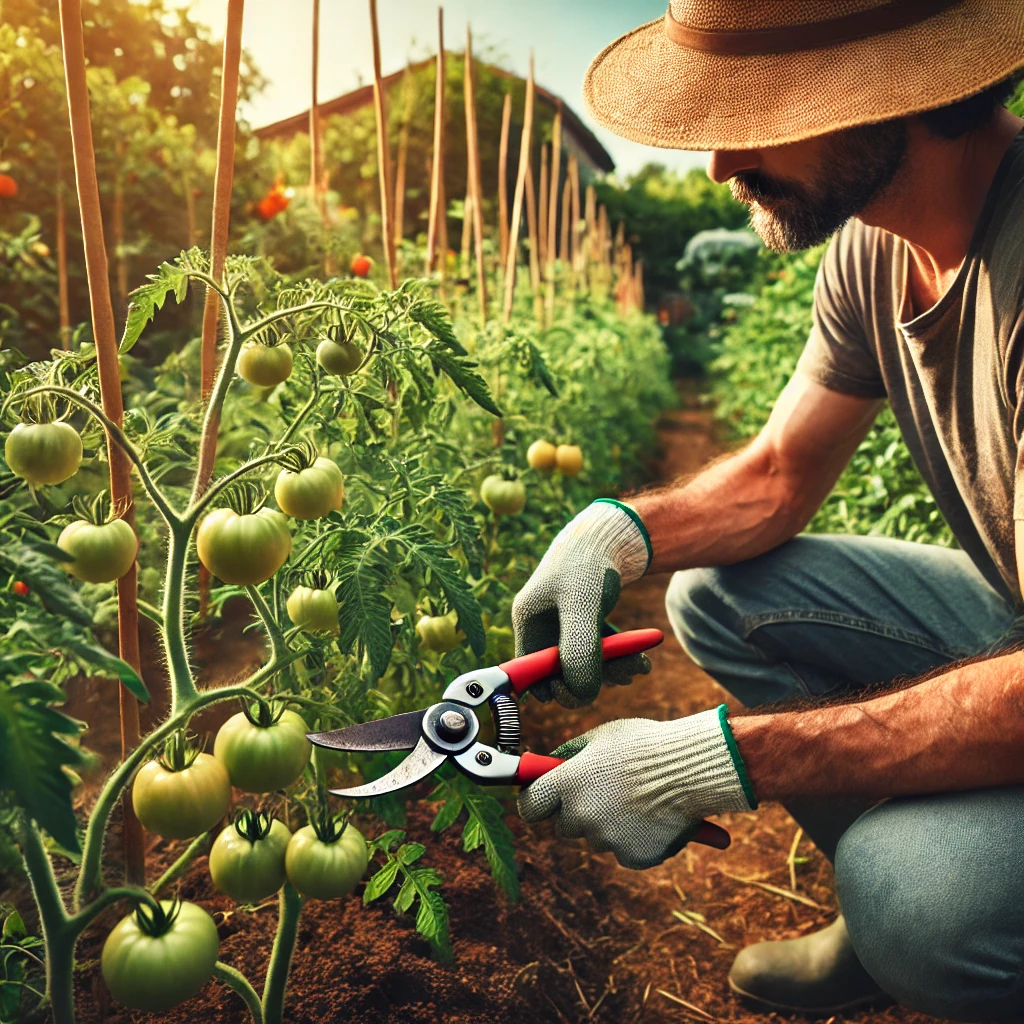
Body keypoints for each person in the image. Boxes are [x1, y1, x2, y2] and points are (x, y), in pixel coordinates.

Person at [511, 1, 1024, 1018]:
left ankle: (921, 913)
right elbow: (779, 474)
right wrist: (617, 532)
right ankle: (879, 923)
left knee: (919, 899)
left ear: (902, 90)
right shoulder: (876, 250)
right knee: (720, 593)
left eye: (764, 106)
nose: (717, 161)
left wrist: (722, 757)